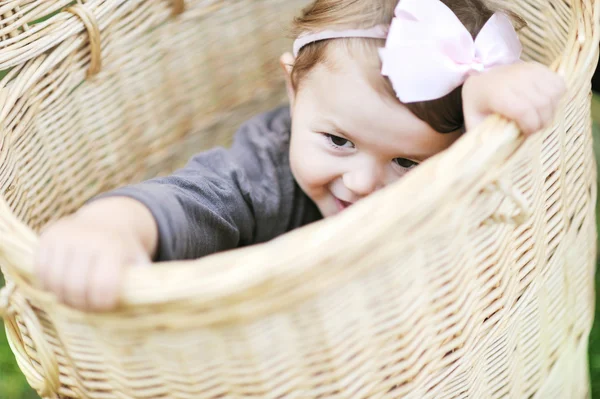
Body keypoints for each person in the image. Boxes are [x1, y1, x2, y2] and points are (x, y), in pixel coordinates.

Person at [35, 0, 566, 311]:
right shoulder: (262, 174)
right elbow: (190, 201)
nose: (359, 183)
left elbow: (497, 171)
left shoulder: (452, 152)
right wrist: (107, 229)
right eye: (338, 141)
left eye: (407, 163)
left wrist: (491, 103)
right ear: (292, 90)